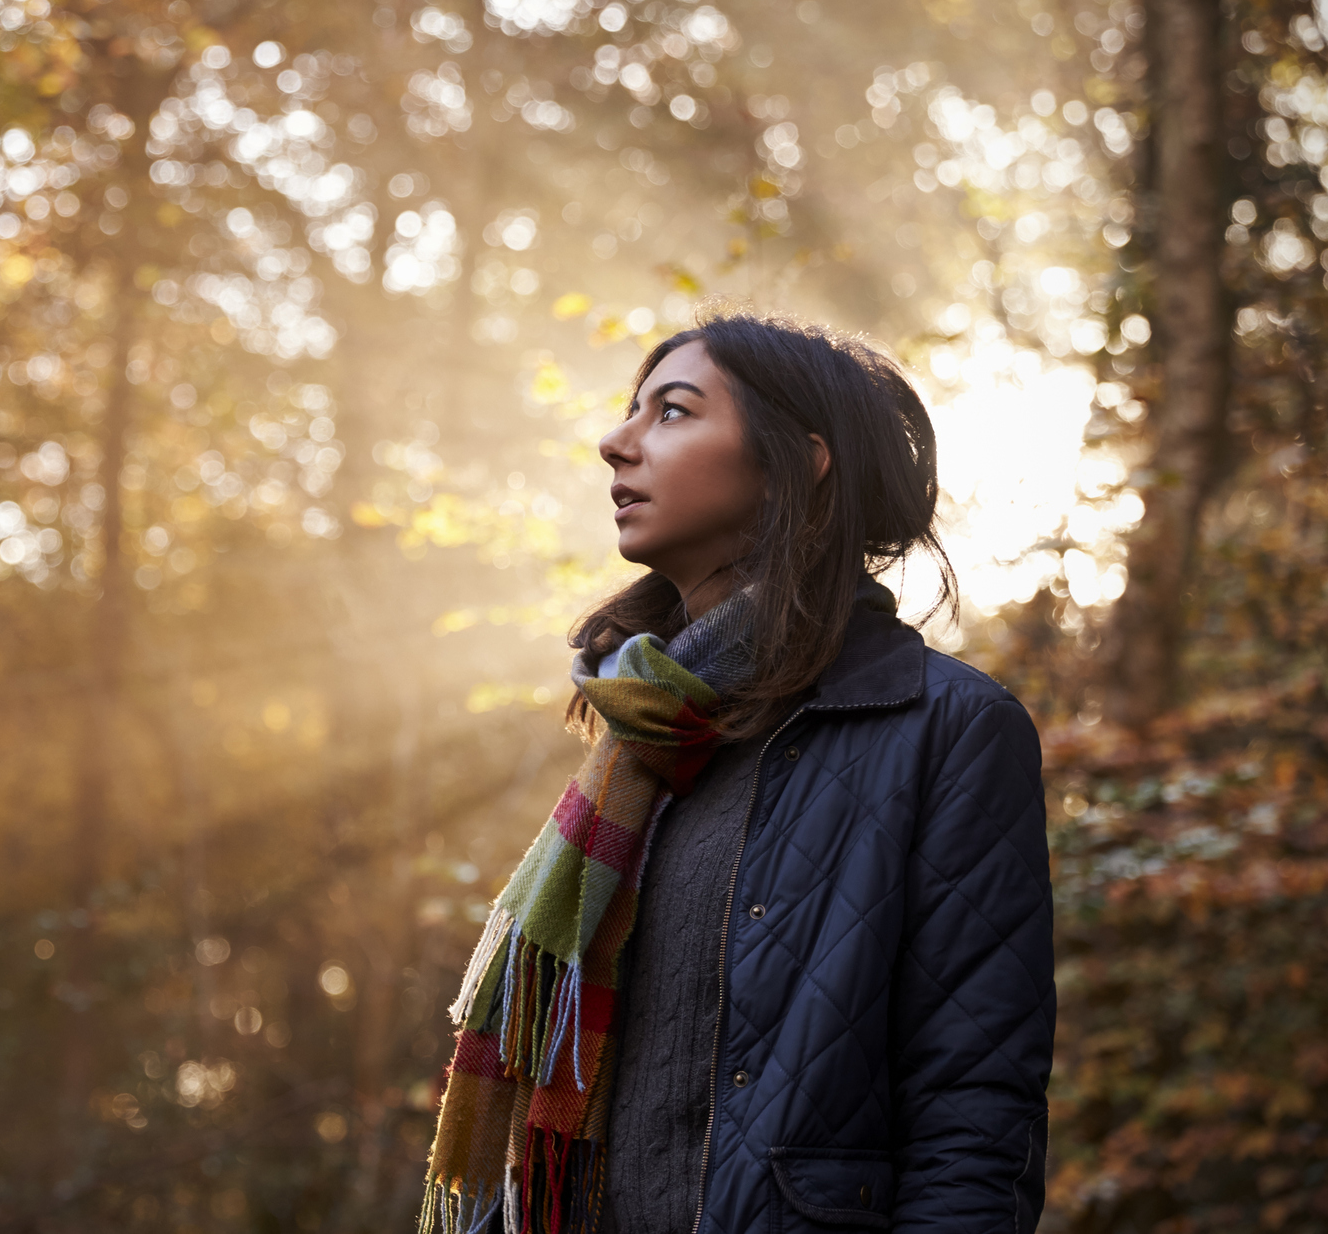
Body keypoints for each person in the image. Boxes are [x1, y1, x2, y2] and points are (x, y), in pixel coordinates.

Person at [419, 314, 1053, 1234]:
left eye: (671, 412)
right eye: (630, 411)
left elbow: (973, 1105)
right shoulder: (644, 733)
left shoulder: (944, 729)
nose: (615, 441)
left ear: (801, 461)